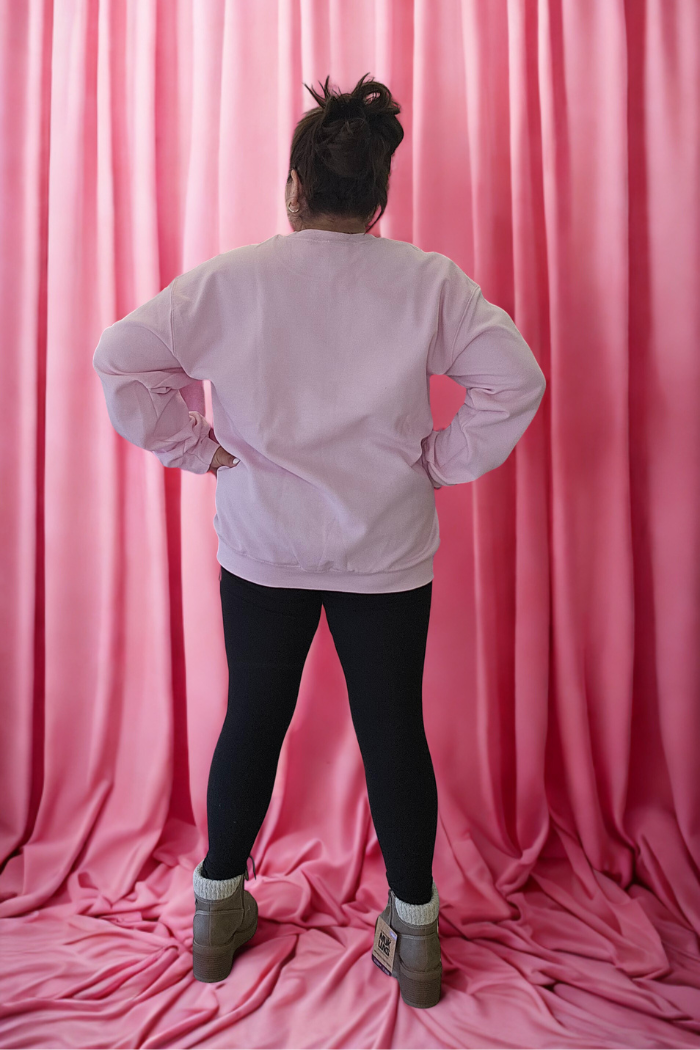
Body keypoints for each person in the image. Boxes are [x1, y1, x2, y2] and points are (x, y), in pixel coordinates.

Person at [92, 73, 546, 1008]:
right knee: (394, 730)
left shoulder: (230, 280)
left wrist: (198, 449)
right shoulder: (428, 282)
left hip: (264, 544)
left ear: (295, 186)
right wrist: (440, 461)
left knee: (253, 719)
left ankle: (216, 912)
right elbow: (516, 380)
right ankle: (415, 936)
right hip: (387, 549)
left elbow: (120, 359)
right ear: (379, 197)